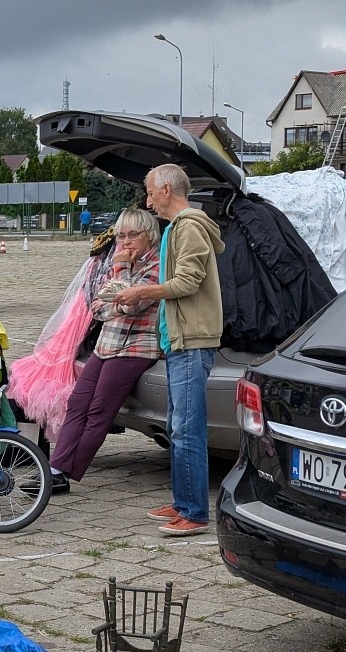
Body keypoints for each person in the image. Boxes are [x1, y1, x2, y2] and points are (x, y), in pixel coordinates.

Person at [112, 163, 225, 536]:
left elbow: (188, 282)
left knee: (187, 430)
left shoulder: (190, 227)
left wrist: (141, 291)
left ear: (165, 189)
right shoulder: (177, 228)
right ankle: (182, 502)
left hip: (193, 341)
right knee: (179, 427)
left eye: (149, 192)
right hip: (179, 339)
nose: (147, 201)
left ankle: (194, 513)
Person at [49, 209, 162, 494]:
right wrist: (119, 303)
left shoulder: (158, 265)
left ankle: (68, 473)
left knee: (100, 410)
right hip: (106, 344)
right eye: (121, 236)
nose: (125, 242)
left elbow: (133, 303)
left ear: (149, 235)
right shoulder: (119, 262)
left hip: (136, 347)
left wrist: (121, 274)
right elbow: (98, 307)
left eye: (132, 235)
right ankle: (53, 469)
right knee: (77, 403)